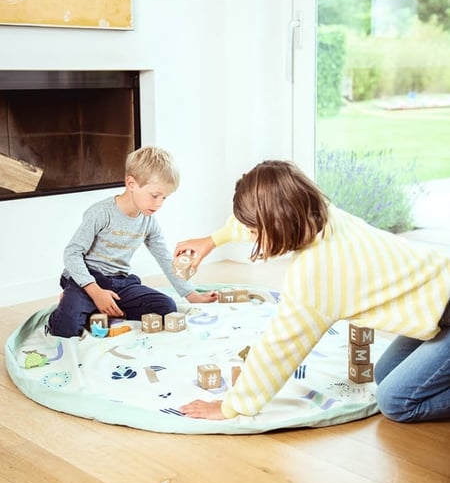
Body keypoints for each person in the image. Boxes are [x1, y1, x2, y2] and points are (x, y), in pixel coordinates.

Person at [175, 159, 450, 423]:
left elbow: (278, 349)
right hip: (441, 294)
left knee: (395, 401)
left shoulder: (316, 275)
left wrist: (231, 406)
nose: (252, 237)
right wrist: (212, 240)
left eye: (254, 232)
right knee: (385, 373)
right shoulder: (321, 212)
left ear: (276, 224)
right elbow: (268, 209)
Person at [47, 146, 217, 338]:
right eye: (155, 196)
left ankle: (97, 309)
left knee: (166, 307)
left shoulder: (148, 222)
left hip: (120, 282)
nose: (159, 203)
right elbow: (71, 253)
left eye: (164, 198)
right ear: (131, 184)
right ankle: (76, 304)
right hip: (87, 280)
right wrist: (95, 292)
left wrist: (192, 295)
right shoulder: (101, 213)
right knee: (66, 328)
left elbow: (165, 259)